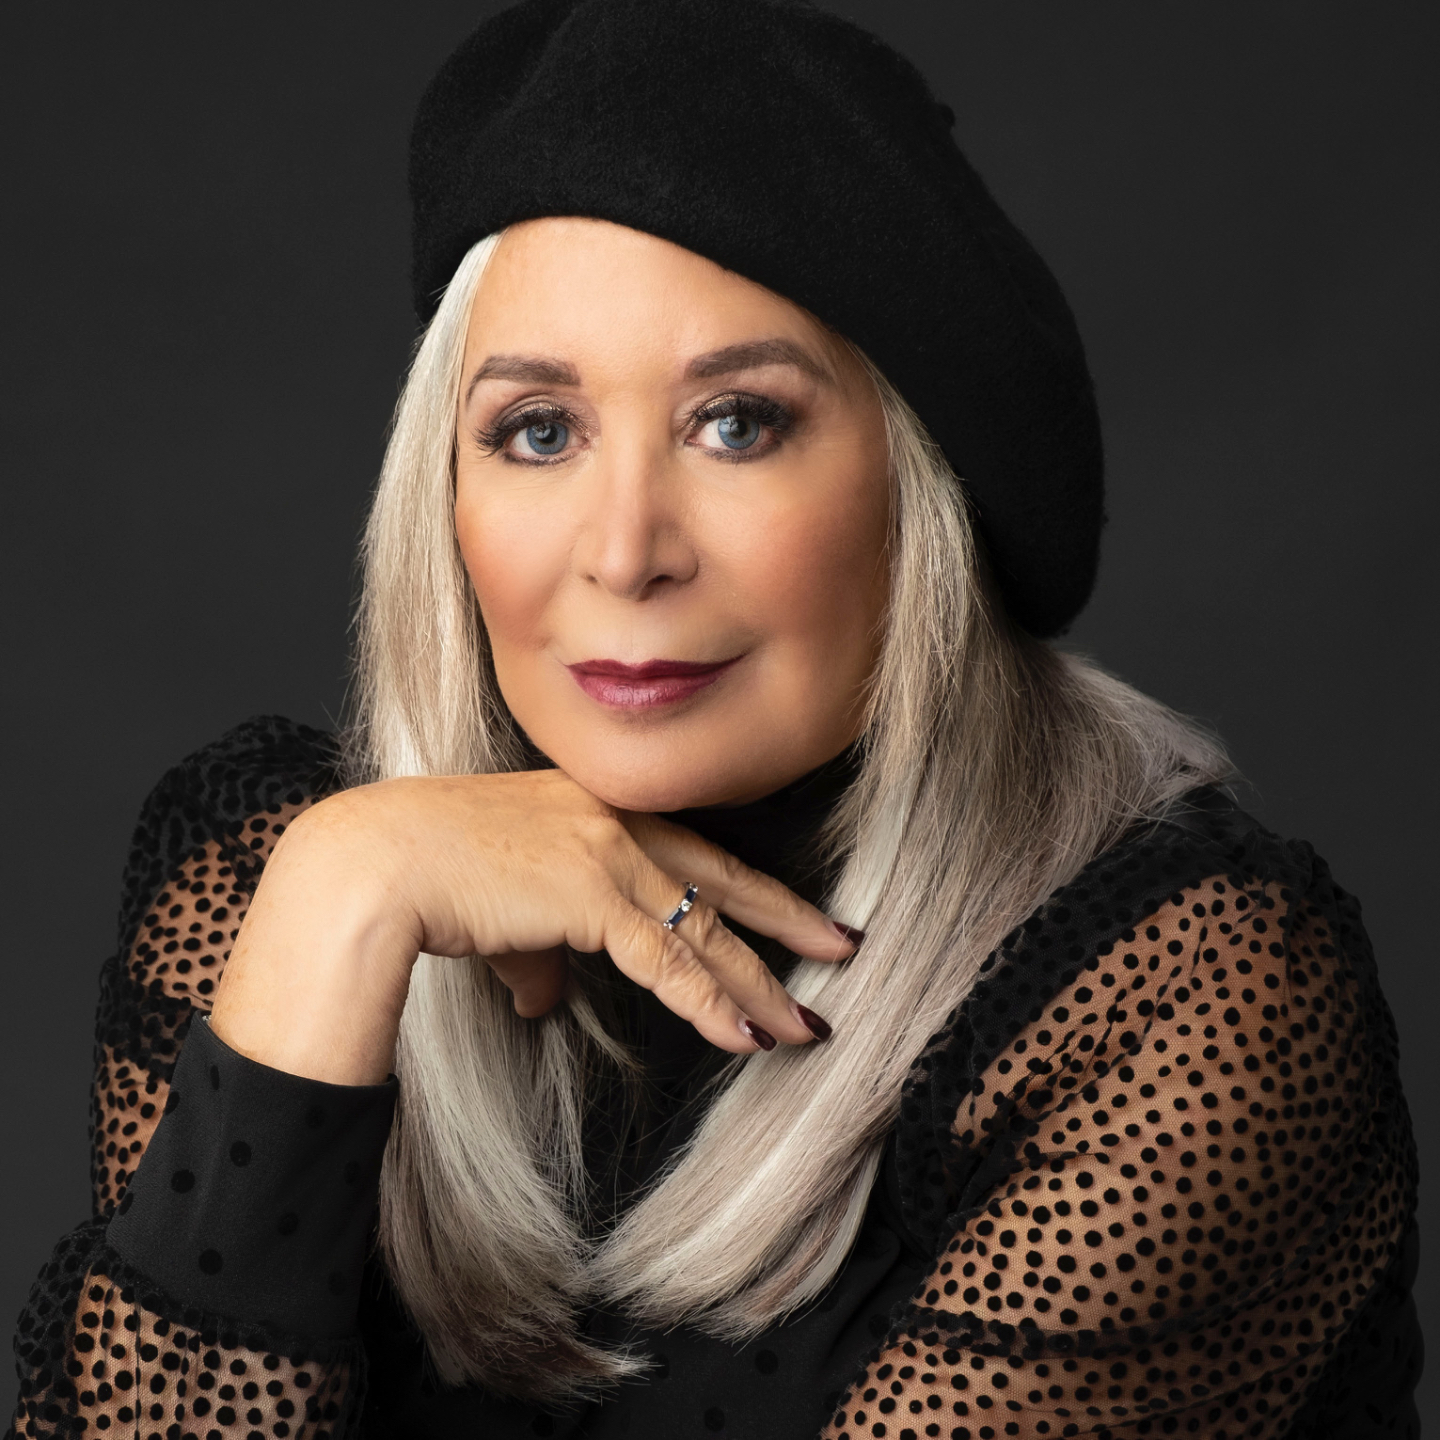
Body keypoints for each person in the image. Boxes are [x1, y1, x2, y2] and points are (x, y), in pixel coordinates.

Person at [8, 1, 1421, 1436]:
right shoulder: (280, 896)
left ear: (922, 485)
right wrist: (342, 897)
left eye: (737, 422)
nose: (626, 553)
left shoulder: (1183, 1004)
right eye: (539, 431)